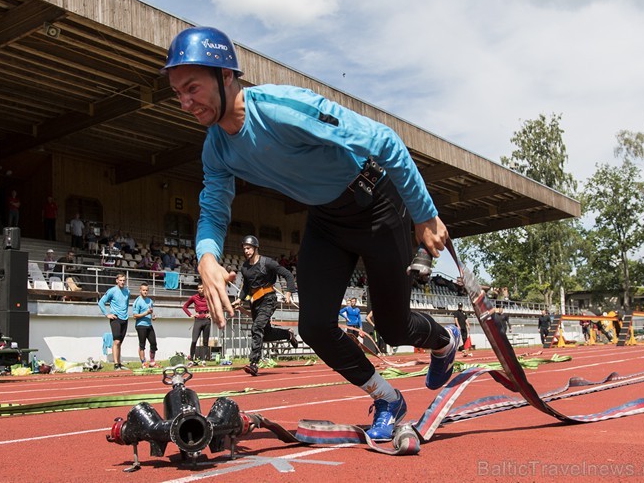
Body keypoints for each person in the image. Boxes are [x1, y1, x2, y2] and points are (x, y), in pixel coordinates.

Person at [164, 27, 458, 441]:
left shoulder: (284, 109)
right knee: (314, 326)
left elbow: (385, 142)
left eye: (192, 88)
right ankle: (388, 399)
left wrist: (424, 215)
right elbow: (213, 208)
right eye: (178, 92)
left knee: (393, 329)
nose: (185, 102)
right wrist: (207, 257)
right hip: (326, 220)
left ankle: (445, 342)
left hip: (376, 206)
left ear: (225, 75)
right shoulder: (216, 149)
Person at [231, 235, 298, 376]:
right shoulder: (244, 267)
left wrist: (288, 292)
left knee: (256, 328)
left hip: (269, 298)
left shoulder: (267, 263)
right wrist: (240, 299)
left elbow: (288, 275)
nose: (246, 251)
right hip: (254, 301)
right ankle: (288, 334)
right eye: (244, 249)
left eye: (248, 248)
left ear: (255, 248)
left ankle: (253, 364)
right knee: (265, 335)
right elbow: (246, 287)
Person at [98, 273, 130, 370]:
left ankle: (119, 363)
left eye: (124, 280)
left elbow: (126, 304)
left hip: (125, 318)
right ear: (117, 280)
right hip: (115, 318)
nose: (122, 282)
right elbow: (101, 302)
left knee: (120, 342)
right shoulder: (112, 291)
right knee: (116, 341)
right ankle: (116, 364)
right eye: (120, 280)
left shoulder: (127, 292)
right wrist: (107, 314)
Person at [182, 281, 212, 361]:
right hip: (198, 319)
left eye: (202, 288)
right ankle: (191, 358)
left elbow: (216, 306)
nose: (200, 290)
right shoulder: (194, 297)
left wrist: (211, 314)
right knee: (194, 340)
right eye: (198, 288)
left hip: (207, 320)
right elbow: (185, 307)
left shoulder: (209, 297)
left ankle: (203, 360)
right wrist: (190, 315)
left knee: (205, 341)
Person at [133, 283, 158, 368]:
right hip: (140, 325)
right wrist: (145, 313)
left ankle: (152, 362)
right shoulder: (137, 301)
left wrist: (153, 316)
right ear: (140, 290)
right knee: (142, 345)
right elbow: (135, 316)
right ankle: (143, 362)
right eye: (143, 290)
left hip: (149, 325)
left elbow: (151, 312)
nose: (145, 292)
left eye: (146, 290)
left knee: (153, 343)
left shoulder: (150, 301)